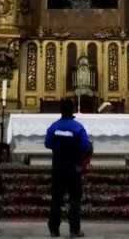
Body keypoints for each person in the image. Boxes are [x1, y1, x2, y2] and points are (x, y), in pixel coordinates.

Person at [44, 98, 92, 238]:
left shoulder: (54, 127)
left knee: (56, 199)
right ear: (72, 110)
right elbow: (84, 146)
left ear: (61, 110)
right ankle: (74, 230)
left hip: (58, 167)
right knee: (75, 199)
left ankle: (54, 229)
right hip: (74, 168)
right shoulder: (78, 127)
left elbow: (47, 143)